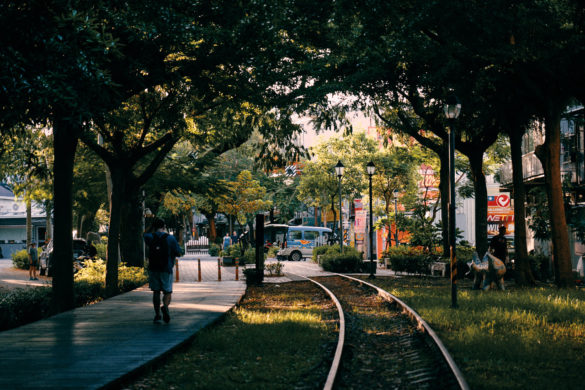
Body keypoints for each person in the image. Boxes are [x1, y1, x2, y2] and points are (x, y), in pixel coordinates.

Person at [144, 218, 182, 324]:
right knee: (168, 291)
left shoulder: (150, 237)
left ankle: (157, 315)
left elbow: (144, 234)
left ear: (154, 227)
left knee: (156, 292)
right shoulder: (170, 238)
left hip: (154, 268)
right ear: (164, 227)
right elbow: (179, 252)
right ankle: (165, 307)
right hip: (166, 268)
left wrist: (151, 227)